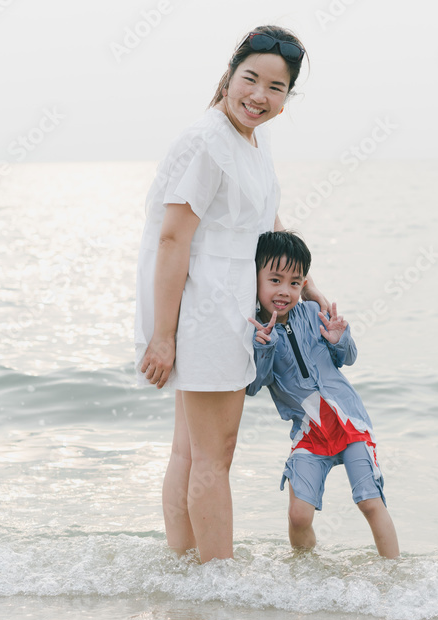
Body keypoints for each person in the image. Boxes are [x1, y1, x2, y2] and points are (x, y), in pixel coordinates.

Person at [135, 27, 328, 563]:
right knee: (213, 455)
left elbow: (266, 222)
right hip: (206, 312)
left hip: (227, 309)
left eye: (276, 87)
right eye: (251, 79)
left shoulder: (249, 141)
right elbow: (172, 239)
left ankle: (185, 572)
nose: (259, 96)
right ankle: (218, 582)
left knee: (190, 451)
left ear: (287, 97)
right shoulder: (207, 140)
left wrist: (310, 288)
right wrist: (164, 336)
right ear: (229, 75)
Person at [246, 231, 400, 559]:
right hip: (308, 433)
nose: (284, 291)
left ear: (303, 284)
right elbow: (255, 385)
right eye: (275, 280)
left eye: (294, 283)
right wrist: (264, 347)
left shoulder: (312, 312)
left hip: (350, 423)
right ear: (254, 279)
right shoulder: (256, 332)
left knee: (370, 502)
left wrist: (338, 339)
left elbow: (348, 357)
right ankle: (306, 570)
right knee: (298, 516)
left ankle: (393, 573)